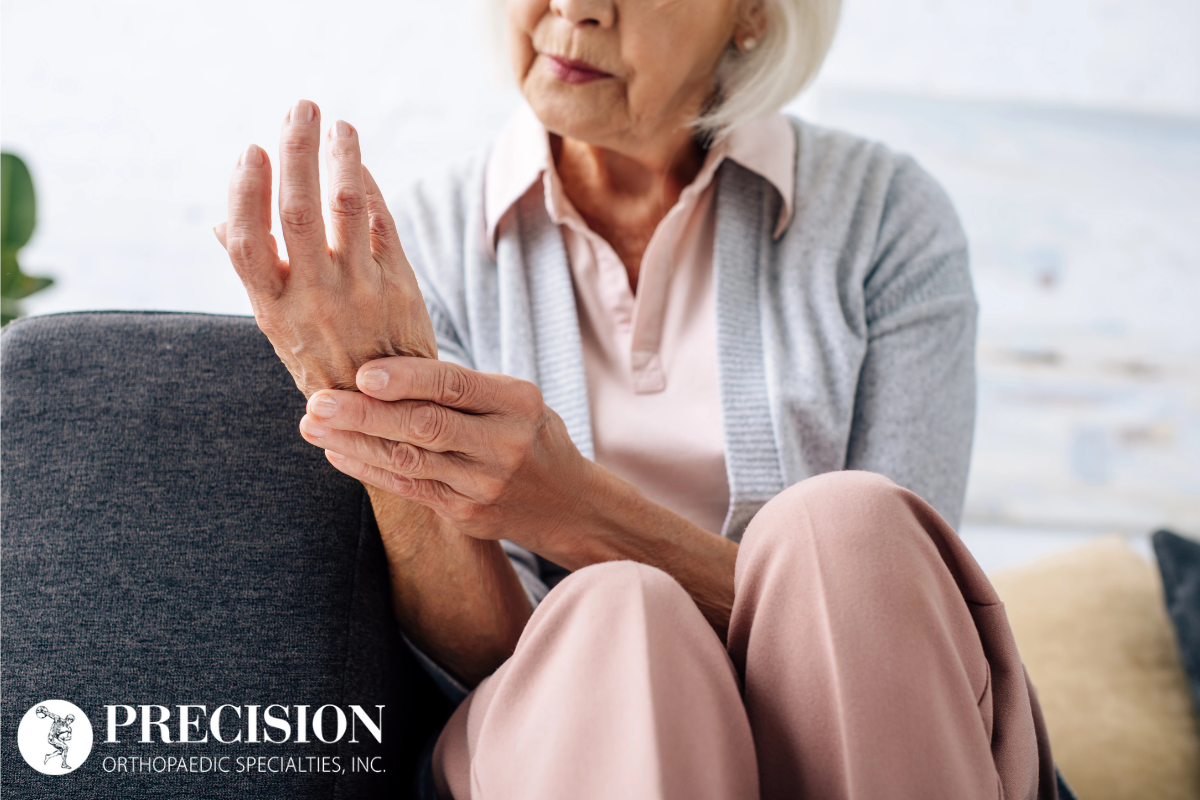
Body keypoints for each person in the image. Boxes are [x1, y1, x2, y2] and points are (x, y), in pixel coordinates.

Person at [216, 0, 1060, 797]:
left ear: (753, 12)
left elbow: (894, 625)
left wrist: (574, 507)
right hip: (576, 731)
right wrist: (381, 421)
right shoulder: (423, 245)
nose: (575, 6)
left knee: (844, 527)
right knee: (623, 622)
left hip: (886, 731)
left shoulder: (885, 218)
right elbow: (487, 662)